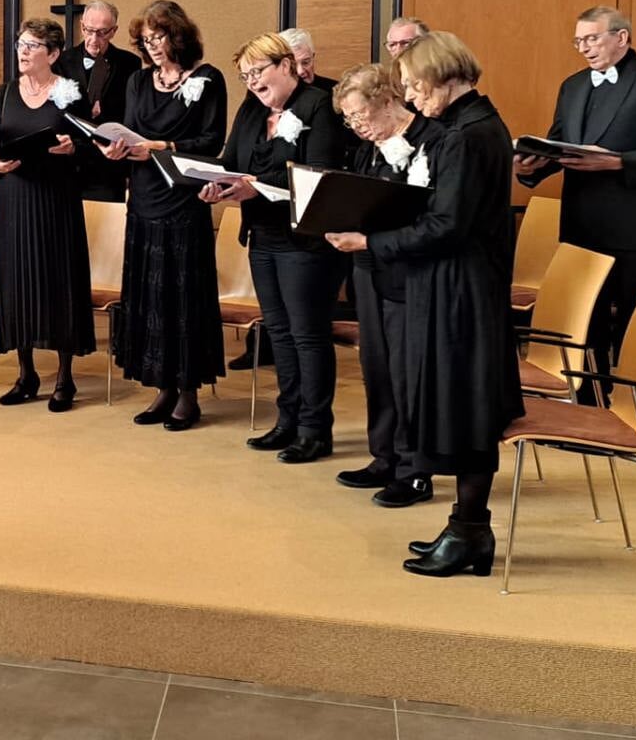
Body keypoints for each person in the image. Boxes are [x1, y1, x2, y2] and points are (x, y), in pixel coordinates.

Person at [326, 31, 521, 577]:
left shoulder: (465, 135)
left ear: (447, 76)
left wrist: (370, 242)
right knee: (459, 409)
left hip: (460, 288)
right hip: (455, 282)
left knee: (466, 411)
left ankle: (468, 534)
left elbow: (447, 225)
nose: (411, 97)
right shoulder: (468, 125)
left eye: (414, 85)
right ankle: (466, 528)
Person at [514, 6, 636, 378]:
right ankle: (585, 401)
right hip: (580, 223)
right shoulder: (573, 85)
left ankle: (632, 411)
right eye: (578, 40)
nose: (584, 47)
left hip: (632, 226)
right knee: (583, 319)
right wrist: (530, 167)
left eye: (592, 38)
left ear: (621, 37)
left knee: (631, 323)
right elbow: (560, 144)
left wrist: (617, 162)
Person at [200, 33, 348, 462]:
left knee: (308, 334)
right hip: (262, 236)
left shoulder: (318, 105)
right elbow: (232, 160)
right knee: (279, 333)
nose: (251, 83)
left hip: (304, 241)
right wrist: (217, 185)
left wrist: (255, 189)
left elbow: (317, 172)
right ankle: (287, 420)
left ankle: (315, 429)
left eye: (257, 72)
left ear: (286, 65)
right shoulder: (252, 108)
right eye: (245, 75)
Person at [99, 1, 228, 430]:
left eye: (161, 37)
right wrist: (117, 149)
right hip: (145, 198)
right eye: (147, 40)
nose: (154, 46)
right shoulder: (137, 80)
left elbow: (211, 141)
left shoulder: (208, 79)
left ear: (180, 36)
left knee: (182, 295)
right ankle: (162, 387)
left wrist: (161, 147)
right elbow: (131, 128)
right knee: (150, 298)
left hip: (185, 198)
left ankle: (188, 392)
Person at [329, 64, 440, 508]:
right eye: (350, 121)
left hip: (411, 272)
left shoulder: (429, 140)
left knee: (409, 374)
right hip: (368, 266)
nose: (357, 128)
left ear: (389, 102)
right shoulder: (370, 146)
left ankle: (416, 471)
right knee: (377, 367)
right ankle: (385, 457)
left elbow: (431, 215)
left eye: (361, 117)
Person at [0, 17, 96, 412]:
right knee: (18, 284)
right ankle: (26, 373)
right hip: (14, 198)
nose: (23, 51)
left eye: (32, 46)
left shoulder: (69, 93)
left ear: (53, 54)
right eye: (21, 44)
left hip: (54, 200)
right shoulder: (5, 92)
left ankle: (65, 377)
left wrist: (74, 150)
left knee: (57, 282)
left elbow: (90, 148)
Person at [55, 0, 144, 203]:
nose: (94, 39)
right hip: (69, 163)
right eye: (89, 30)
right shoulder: (62, 61)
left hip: (109, 165)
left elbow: (131, 115)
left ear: (114, 31)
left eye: (102, 32)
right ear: (82, 26)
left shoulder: (130, 63)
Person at [282, 27, 335, 92]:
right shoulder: (272, 98)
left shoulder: (335, 91)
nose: (300, 71)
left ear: (313, 57)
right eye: (293, 65)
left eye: (305, 62)